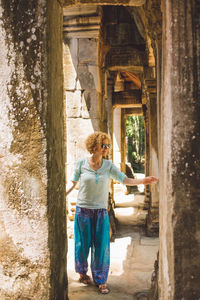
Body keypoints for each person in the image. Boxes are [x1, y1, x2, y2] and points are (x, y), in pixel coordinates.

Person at [66, 131, 158, 294]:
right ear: (94, 147)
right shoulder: (81, 164)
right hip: (83, 210)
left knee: (101, 247)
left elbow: (124, 179)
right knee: (82, 245)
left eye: (108, 146)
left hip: (101, 212)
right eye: (104, 145)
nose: (106, 148)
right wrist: (60, 195)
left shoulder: (108, 166)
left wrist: (143, 181)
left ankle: (101, 280)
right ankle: (82, 273)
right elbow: (72, 183)